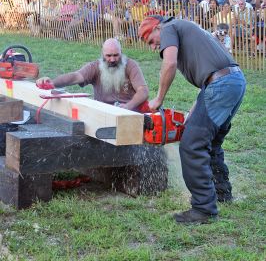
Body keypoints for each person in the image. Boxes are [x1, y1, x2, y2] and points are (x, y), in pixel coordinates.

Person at [138, 16, 246, 224]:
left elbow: (169, 63)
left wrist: (158, 99)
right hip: (233, 81)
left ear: (157, 27)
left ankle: (204, 209)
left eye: (150, 40)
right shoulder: (185, 27)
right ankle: (221, 192)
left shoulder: (169, 27)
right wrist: (192, 115)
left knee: (191, 144)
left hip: (221, 84)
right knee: (211, 142)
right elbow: (210, 79)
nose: (153, 47)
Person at [36, 39, 149, 112]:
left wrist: (128, 106)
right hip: (102, 112)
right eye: (108, 56)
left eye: (116, 55)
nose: (112, 59)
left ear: (121, 52)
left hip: (127, 112)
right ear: (102, 54)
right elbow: (76, 76)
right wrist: (53, 83)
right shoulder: (95, 67)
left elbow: (143, 90)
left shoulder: (131, 65)